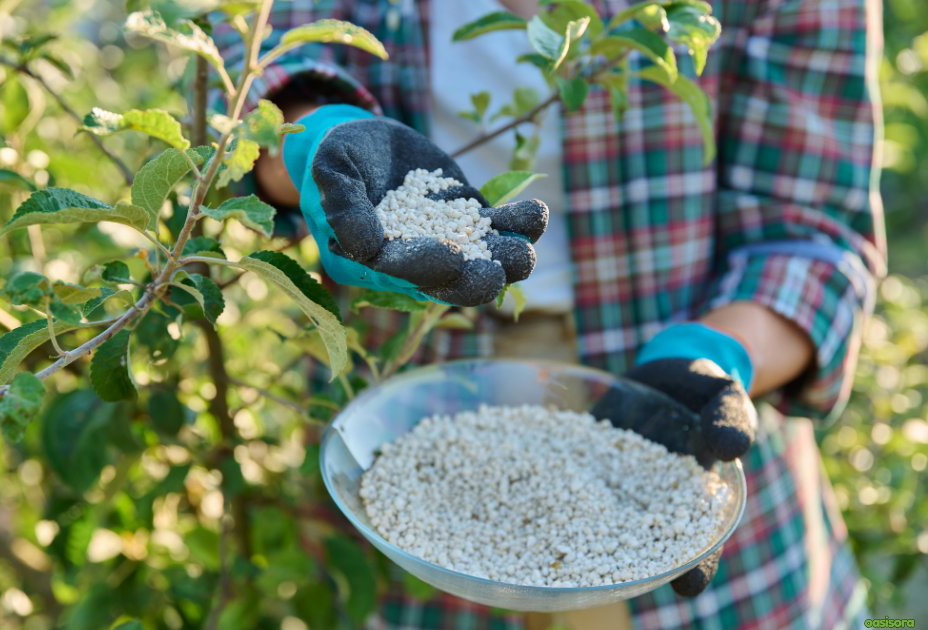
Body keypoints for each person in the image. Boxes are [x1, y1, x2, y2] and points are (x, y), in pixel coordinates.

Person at [214, 0, 885, 626]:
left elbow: (813, 233)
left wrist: (719, 352)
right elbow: (254, 66)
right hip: (403, 407)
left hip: (679, 407)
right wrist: (311, 144)